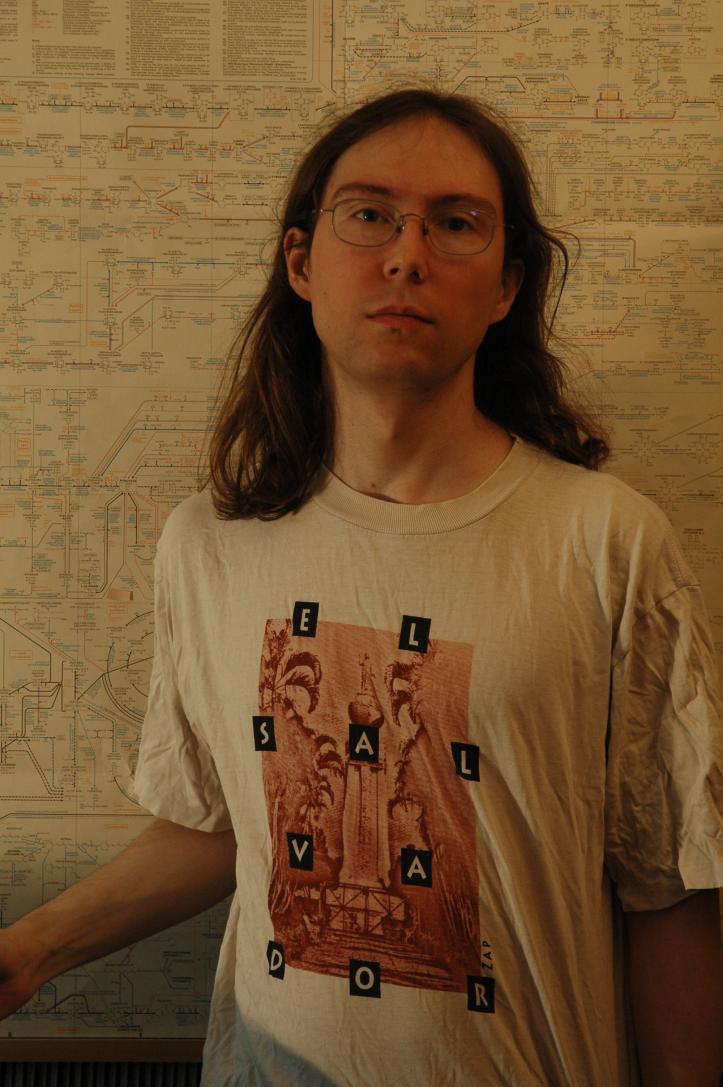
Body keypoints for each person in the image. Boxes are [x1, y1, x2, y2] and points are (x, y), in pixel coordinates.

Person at [1, 88, 721, 1087]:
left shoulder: (606, 542)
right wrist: (27, 952)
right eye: (370, 214)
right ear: (302, 261)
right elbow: (225, 821)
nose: (406, 255)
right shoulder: (208, 544)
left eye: (455, 223)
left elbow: (670, 882)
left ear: (507, 285)